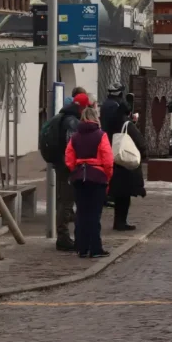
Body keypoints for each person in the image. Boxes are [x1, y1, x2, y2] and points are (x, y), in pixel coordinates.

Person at [65, 106, 114, 258]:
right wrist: (107, 176)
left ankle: (81, 247)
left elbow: (69, 159)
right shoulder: (101, 135)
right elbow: (108, 159)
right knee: (94, 214)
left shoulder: (75, 137)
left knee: (81, 213)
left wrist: (76, 169)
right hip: (97, 177)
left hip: (80, 177)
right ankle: (95, 248)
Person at [104, 99, 147, 231]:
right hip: (125, 162)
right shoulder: (127, 124)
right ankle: (121, 222)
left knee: (118, 195)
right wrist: (143, 154)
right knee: (125, 195)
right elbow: (140, 141)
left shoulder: (111, 122)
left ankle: (118, 221)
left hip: (114, 161)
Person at [53, 93, 88, 252]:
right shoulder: (72, 122)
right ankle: (63, 237)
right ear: (83, 107)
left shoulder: (65, 116)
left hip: (61, 165)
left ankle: (63, 235)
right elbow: (72, 146)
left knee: (63, 201)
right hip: (67, 167)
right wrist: (74, 166)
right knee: (66, 202)